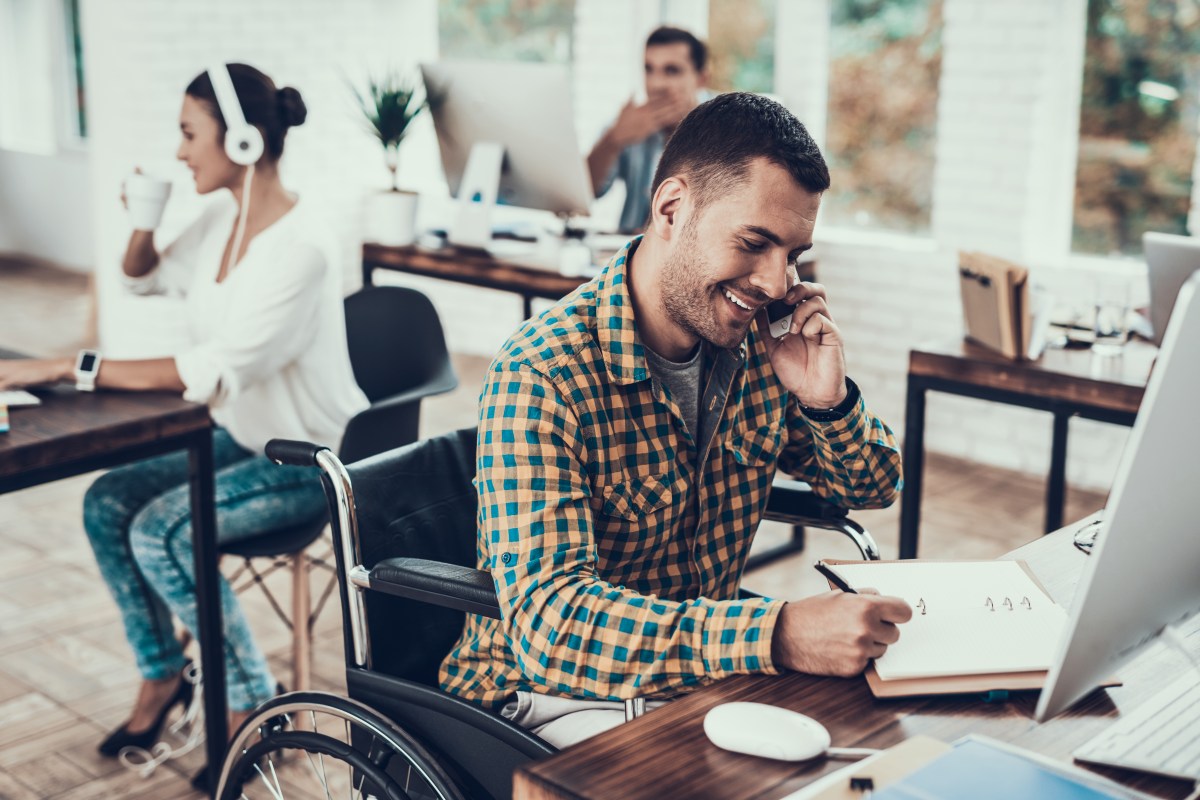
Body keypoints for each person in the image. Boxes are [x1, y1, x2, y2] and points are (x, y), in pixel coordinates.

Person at [441, 92, 911, 749]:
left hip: (685, 682)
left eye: (794, 253)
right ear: (671, 208)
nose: (777, 283)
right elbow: (554, 629)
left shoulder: (758, 348)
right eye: (755, 243)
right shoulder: (543, 372)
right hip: (543, 696)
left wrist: (823, 401)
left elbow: (871, 489)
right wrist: (776, 634)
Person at [0, 63, 367, 770]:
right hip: (240, 436)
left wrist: (60, 366)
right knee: (107, 502)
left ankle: (250, 705)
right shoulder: (221, 218)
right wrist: (145, 214)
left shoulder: (301, 252)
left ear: (245, 144)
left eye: (188, 133)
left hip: (303, 461)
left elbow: (206, 372)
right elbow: (142, 276)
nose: (178, 150)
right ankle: (164, 672)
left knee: (161, 531)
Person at [587, 25, 708, 235]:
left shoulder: (721, 128)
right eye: (648, 69)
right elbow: (588, 192)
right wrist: (613, 139)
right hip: (628, 250)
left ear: (701, 80)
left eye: (672, 70)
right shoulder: (631, 122)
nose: (656, 83)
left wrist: (690, 132)